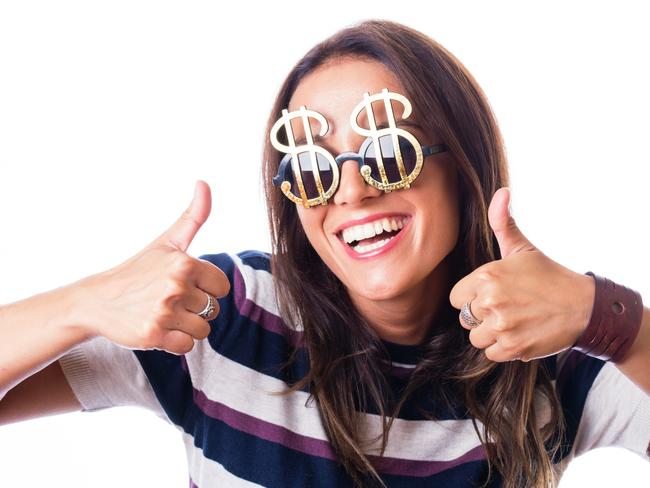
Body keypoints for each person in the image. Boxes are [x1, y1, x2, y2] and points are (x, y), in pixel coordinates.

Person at [0, 19, 648, 488]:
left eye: (390, 152)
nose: (352, 189)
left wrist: (611, 320)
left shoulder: (551, 358)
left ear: (462, 167)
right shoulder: (222, 315)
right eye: (312, 167)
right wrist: (83, 304)